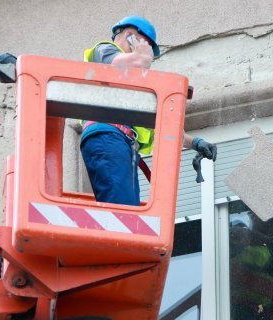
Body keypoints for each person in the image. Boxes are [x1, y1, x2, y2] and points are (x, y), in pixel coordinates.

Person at [81, 15, 217, 206]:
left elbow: (162, 128)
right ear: (130, 35)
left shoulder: (132, 87)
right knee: (123, 212)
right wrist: (142, 56)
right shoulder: (104, 50)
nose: (149, 56)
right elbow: (130, 63)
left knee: (129, 209)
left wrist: (196, 142)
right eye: (145, 45)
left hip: (120, 143)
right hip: (108, 137)